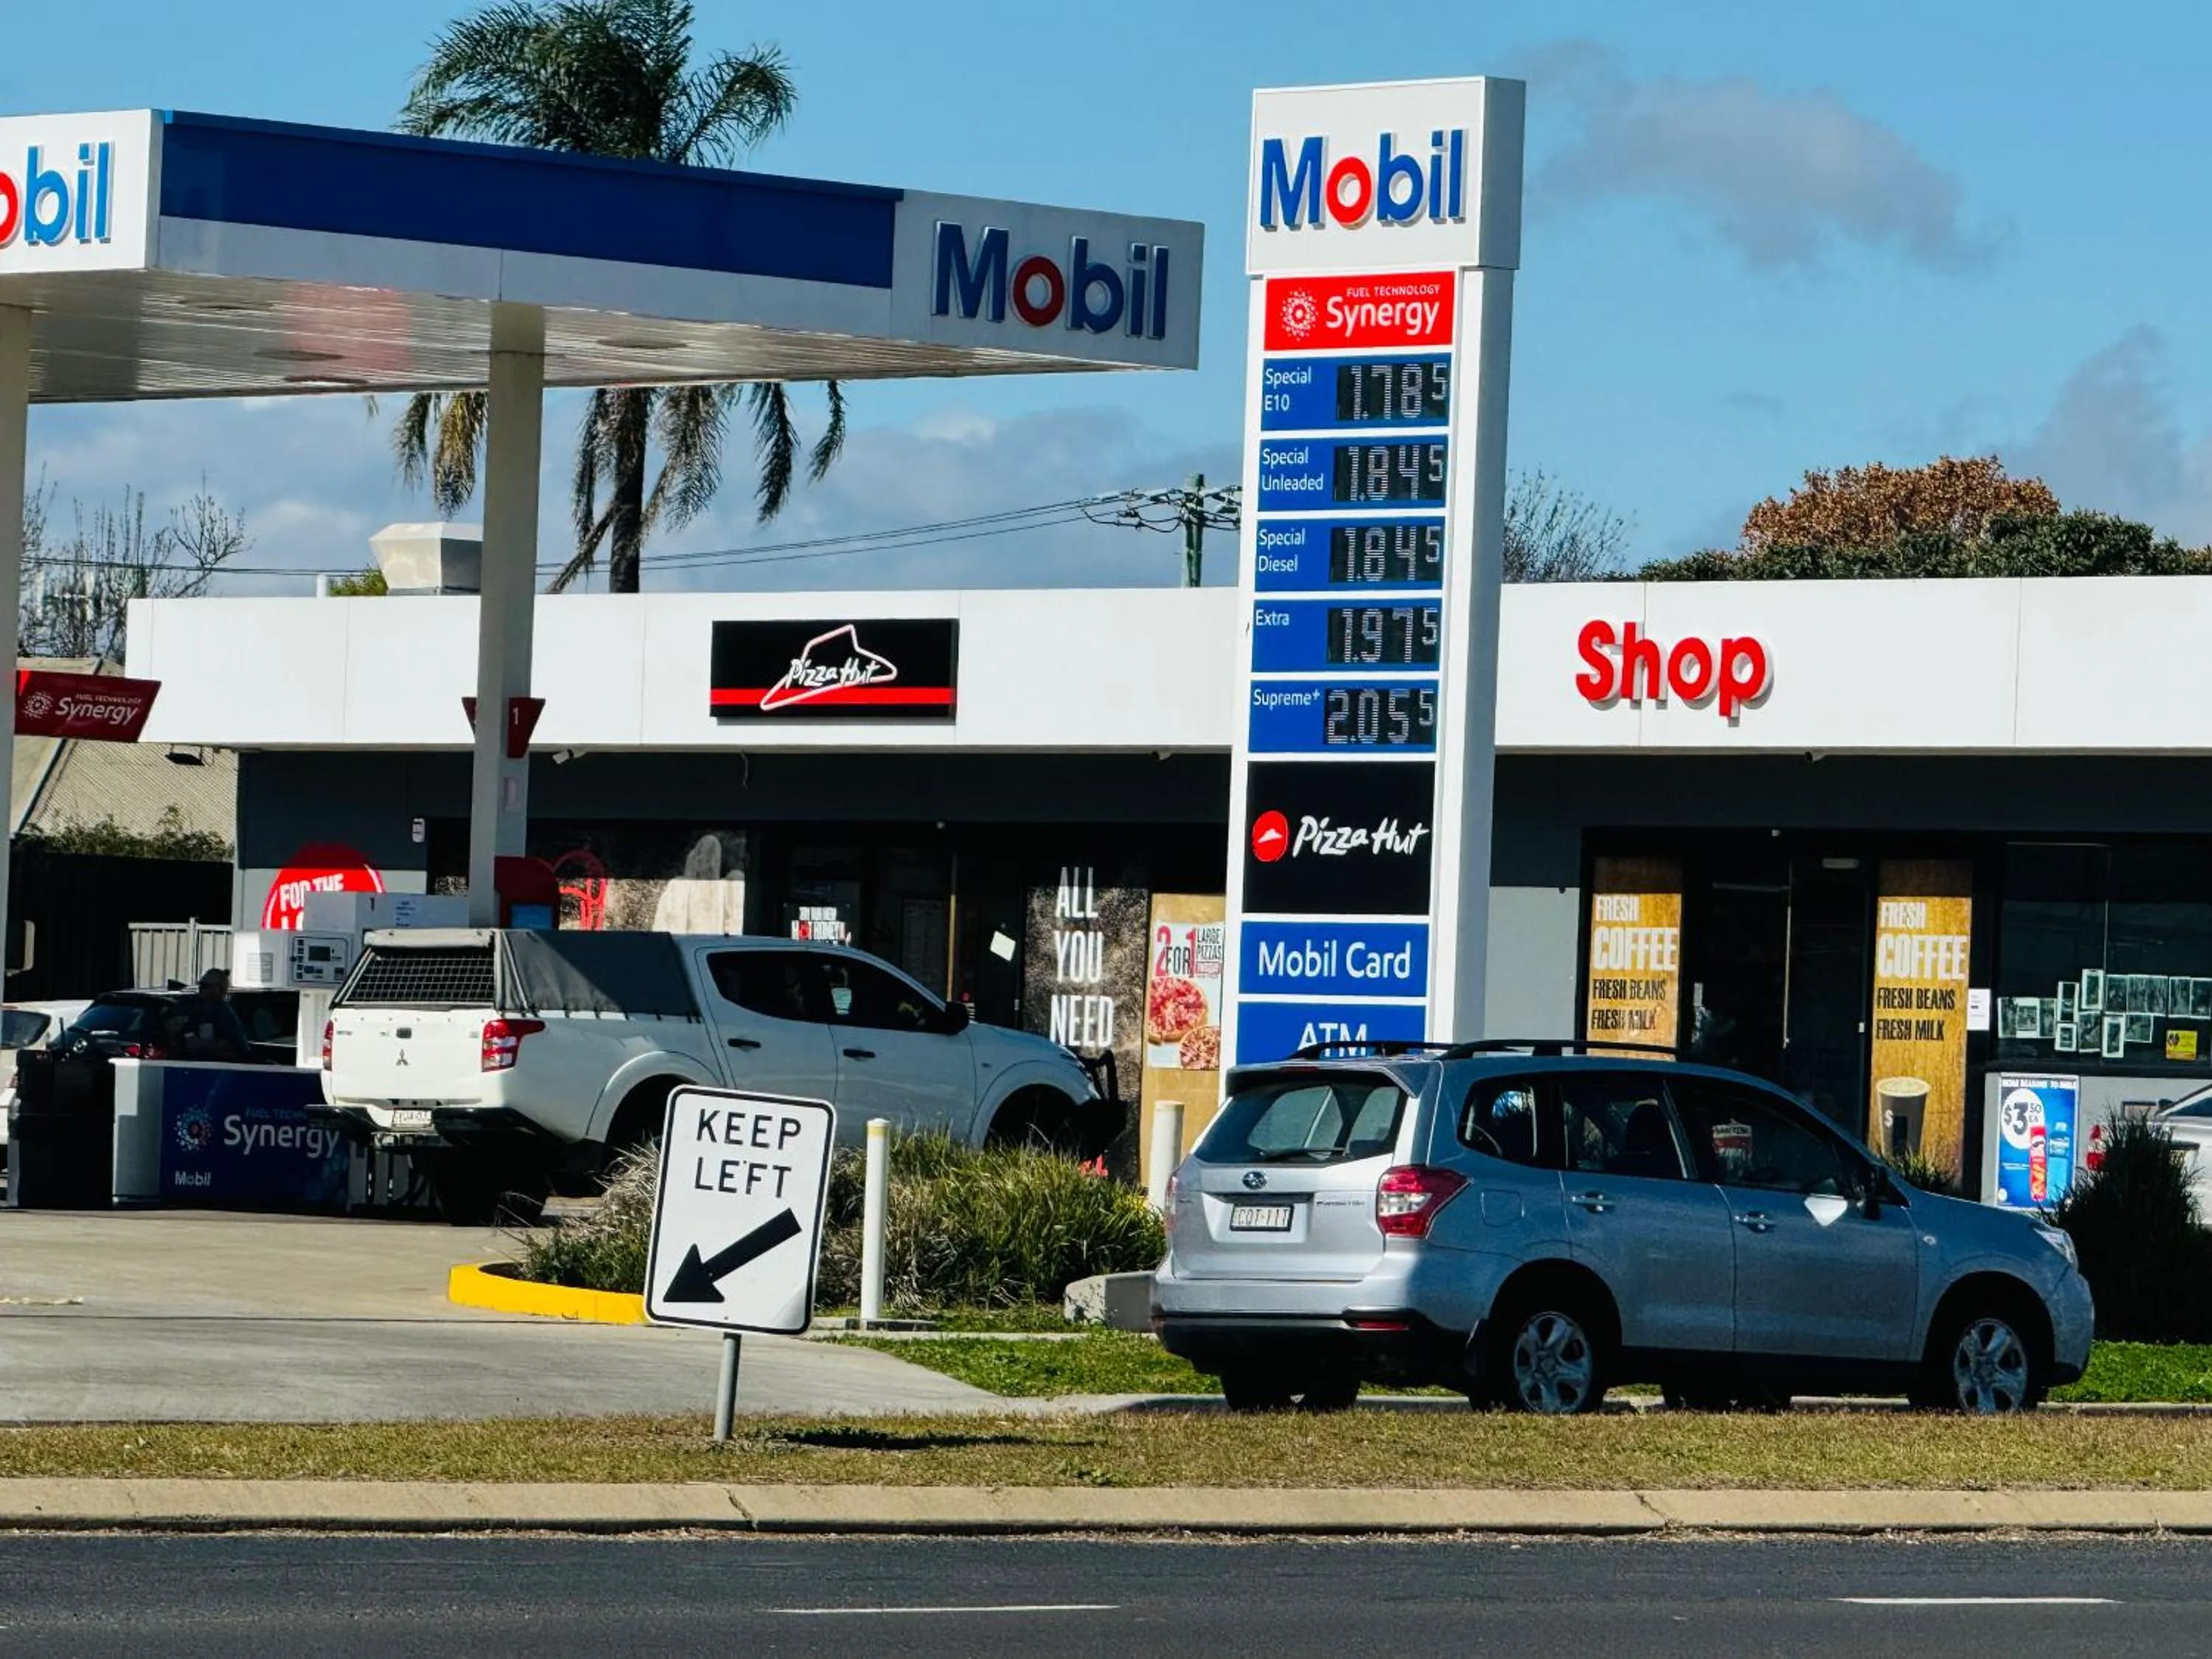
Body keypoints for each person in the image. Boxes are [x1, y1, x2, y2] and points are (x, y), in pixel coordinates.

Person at [176, 969, 253, 1062]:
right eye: (201, 986)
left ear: (218, 989)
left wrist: (204, 1045)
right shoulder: (191, 1006)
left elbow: (236, 1044)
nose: (200, 989)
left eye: (205, 986)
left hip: (219, 1066)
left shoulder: (224, 1013)